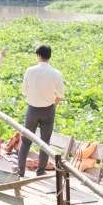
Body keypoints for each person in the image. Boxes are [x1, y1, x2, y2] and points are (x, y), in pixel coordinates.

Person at [18, 45, 64, 177]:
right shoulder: (56, 73)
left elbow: (24, 91)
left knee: (26, 140)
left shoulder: (30, 71)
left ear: (38, 56)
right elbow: (60, 95)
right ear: (50, 56)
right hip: (48, 110)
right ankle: (40, 170)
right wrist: (53, 104)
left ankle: (21, 170)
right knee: (45, 141)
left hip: (32, 109)